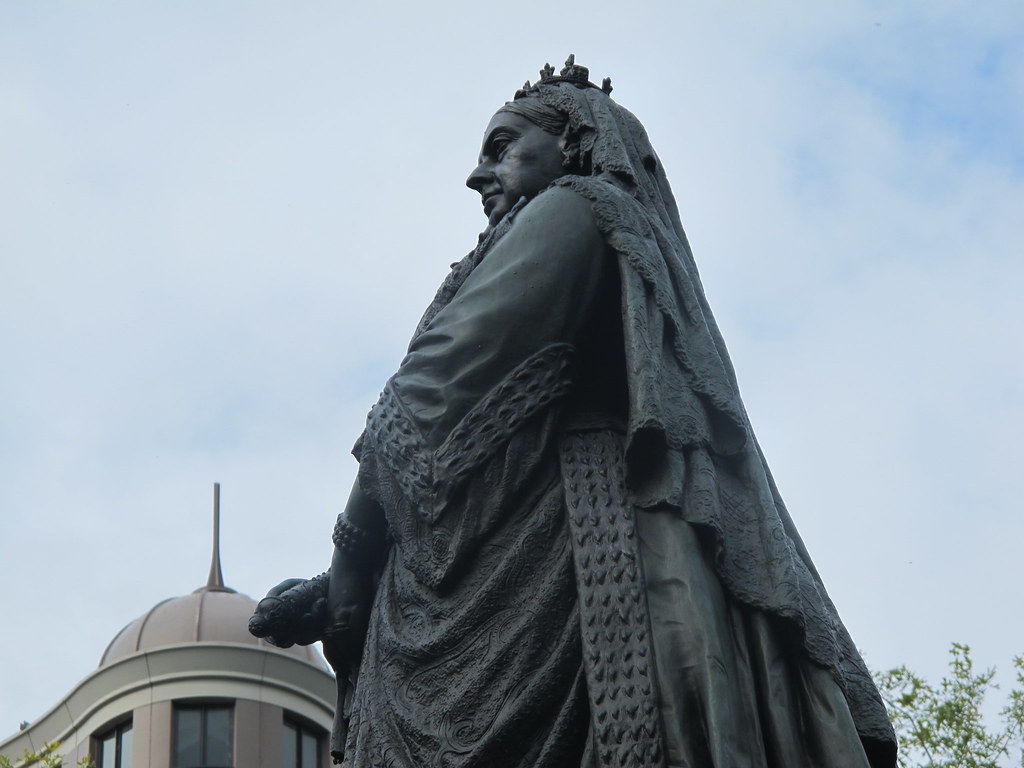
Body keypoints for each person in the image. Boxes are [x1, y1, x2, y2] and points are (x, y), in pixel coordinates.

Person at [251, 56, 897, 767]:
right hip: (485, 587)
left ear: (576, 144)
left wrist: (349, 557)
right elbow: (462, 457)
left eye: (502, 146)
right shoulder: (514, 242)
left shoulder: (579, 207)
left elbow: (432, 398)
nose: (476, 174)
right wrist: (346, 584)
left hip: (574, 574)